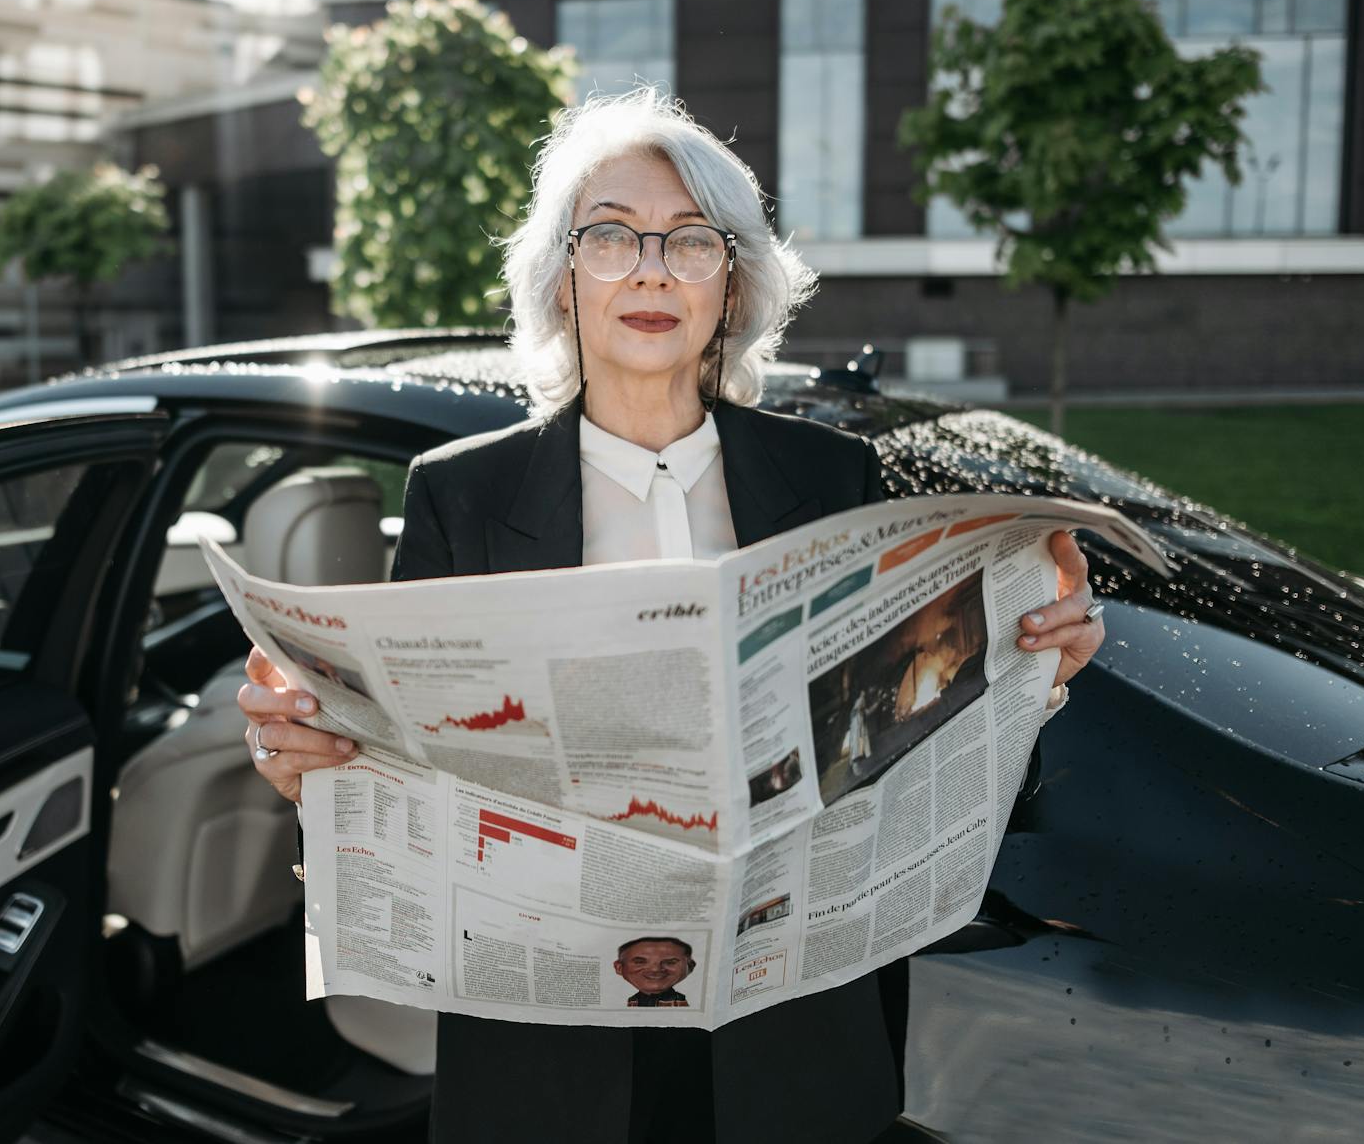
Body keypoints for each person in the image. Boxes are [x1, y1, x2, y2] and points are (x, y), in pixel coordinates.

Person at [237, 87, 1107, 1143]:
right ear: (562, 278)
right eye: (609, 236)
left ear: (730, 285)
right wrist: (311, 768)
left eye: (690, 241)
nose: (649, 268)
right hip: (549, 1054)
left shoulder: (833, 475)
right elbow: (409, 765)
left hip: (784, 1033)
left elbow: (895, 731)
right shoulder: (456, 495)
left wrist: (1034, 675)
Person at [615, 937, 697, 1007]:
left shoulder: (681, 1002)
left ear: (690, 966)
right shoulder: (632, 1001)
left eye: (670, 962)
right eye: (640, 962)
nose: (655, 969)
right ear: (619, 968)